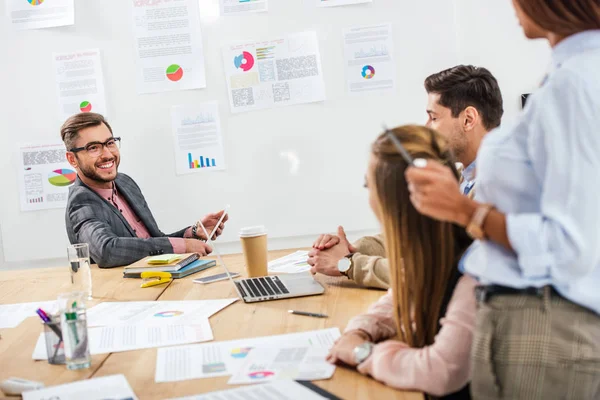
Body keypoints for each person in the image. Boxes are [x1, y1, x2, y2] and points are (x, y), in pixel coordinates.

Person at [405, 1, 600, 398]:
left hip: (543, 333)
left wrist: (464, 210)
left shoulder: (574, 83)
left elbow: (571, 244)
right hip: (529, 327)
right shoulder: (569, 74)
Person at [308, 65, 504, 289]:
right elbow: (415, 236)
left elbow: (436, 272)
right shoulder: (462, 178)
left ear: (468, 119)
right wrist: (351, 248)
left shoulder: (499, 188)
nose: (426, 127)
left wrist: (349, 264)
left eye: (433, 117)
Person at [327, 125, 476, 399]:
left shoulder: (474, 266)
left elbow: (442, 371)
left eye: (367, 185)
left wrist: (363, 353)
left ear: (392, 201)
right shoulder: (430, 251)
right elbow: (397, 302)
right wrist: (358, 331)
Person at [62, 113, 228, 268]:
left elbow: (151, 241)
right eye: (93, 148)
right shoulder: (81, 200)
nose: (107, 154)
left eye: (110, 143)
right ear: (72, 159)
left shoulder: (124, 182)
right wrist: (183, 246)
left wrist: (191, 233)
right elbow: (106, 250)